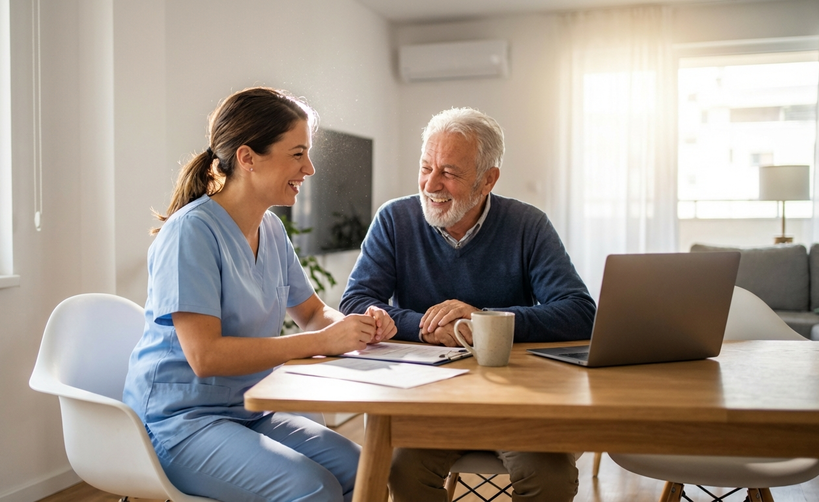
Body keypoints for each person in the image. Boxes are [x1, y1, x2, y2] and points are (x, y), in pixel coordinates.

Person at [123, 87, 397, 502]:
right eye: (297, 153)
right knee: (315, 489)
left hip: (247, 410)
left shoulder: (271, 230)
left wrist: (356, 328)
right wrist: (321, 342)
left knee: (366, 471)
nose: (310, 168)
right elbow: (205, 357)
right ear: (247, 158)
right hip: (178, 421)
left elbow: (312, 313)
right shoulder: (190, 233)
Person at [339, 107, 596, 502]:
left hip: (515, 398)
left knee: (550, 479)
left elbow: (580, 312)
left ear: (487, 179)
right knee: (401, 472)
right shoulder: (394, 219)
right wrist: (424, 326)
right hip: (428, 398)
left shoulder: (528, 225)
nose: (431, 184)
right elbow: (356, 302)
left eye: (449, 173)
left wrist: (483, 322)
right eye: (426, 167)